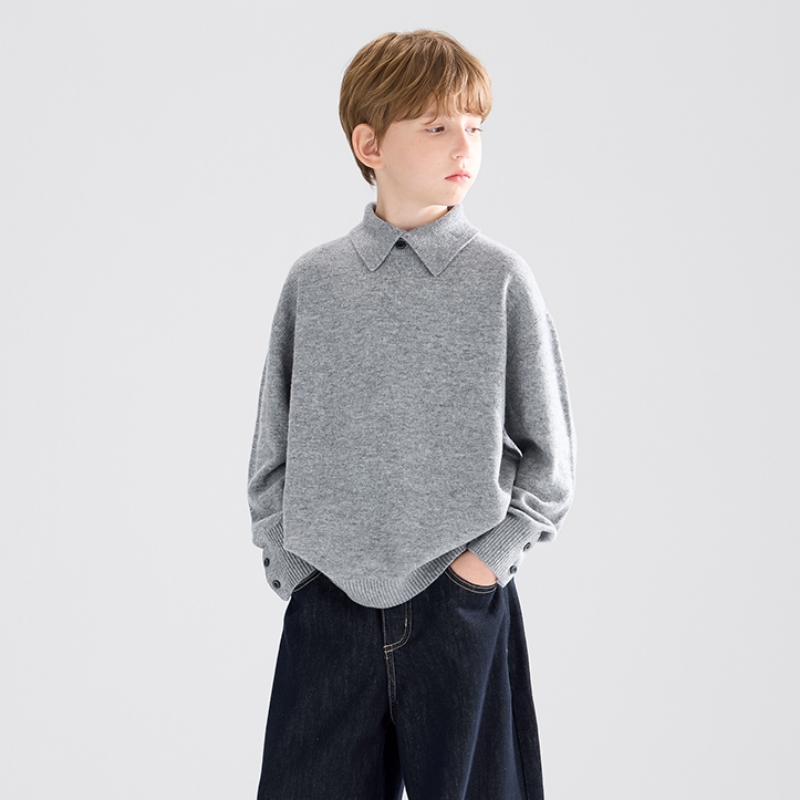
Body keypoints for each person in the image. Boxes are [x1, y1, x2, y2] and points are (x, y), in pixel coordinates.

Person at [247, 29, 576, 800]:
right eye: (436, 126)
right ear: (370, 144)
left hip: (456, 607)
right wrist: (294, 568)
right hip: (328, 607)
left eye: (475, 126)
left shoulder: (500, 280)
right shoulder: (316, 281)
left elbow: (550, 462)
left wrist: (479, 571)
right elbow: (271, 450)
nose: (465, 146)